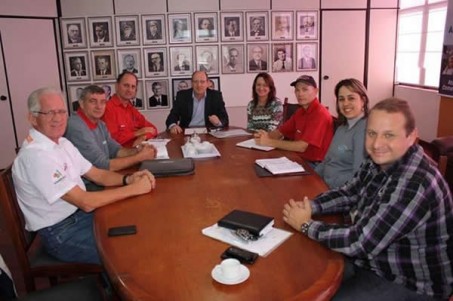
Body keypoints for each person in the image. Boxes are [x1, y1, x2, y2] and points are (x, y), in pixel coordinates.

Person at [282, 98, 453, 301]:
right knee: (303, 271)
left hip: (408, 281)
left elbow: (360, 242)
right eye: (372, 133)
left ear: (412, 136)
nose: (377, 144)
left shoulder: (415, 183)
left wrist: (305, 225)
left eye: (389, 135)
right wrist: (311, 205)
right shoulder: (377, 161)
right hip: (373, 260)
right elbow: (349, 193)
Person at [12, 87, 155, 264]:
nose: (57, 118)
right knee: (131, 251)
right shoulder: (36, 156)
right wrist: (134, 189)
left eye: (62, 111)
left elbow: (98, 175)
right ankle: (115, 286)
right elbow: (85, 202)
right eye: (49, 113)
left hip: (79, 217)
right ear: (33, 118)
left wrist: (128, 179)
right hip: (61, 233)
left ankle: (109, 282)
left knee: (138, 223)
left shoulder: (62, 143)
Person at [65, 85, 157, 190]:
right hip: (86, 186)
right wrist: (139, 157)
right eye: (93, 101)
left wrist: (137, 151)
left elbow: (115, 150)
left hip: (102, 179)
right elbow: (103, 165)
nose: (99, 106)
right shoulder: (76, 127)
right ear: (81, 103)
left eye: (103, 102)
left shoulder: (100, 124)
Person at [254, 75, 333, 165]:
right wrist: (265, 135)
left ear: (316, 91)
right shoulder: (300, 112)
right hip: (298, 158)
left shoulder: (320, 114)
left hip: (315, 165)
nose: (300, 94)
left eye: (305, 89)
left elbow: (301, 147)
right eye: (297, 90)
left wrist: (269, 142)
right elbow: (280, 132)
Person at [314, 79, 369, 188]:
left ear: (363, 101)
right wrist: (311, 178)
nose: (345, 103)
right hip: (324, 184)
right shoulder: (342, 127)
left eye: (351, 98)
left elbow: (358, 175)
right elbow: (327, 161)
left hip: (340, 192)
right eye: (341, 99)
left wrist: (329, 183)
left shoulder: (365, 130)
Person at [102, 71, 158, 147]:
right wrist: (138, 133)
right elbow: (112, 141)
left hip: (135, 151)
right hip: (119, 155)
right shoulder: (107, 108)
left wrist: (143, 137)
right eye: (126, 85)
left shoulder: (131, 108)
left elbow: (153, 129)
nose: (129, 90)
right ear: (117, 86)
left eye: (133, 87)